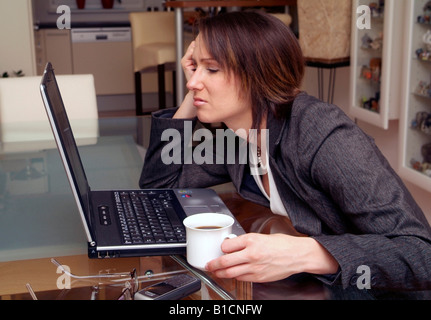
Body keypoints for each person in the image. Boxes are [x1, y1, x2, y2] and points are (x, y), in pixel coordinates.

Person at [139, 11, 431, 296]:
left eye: (212, 69)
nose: (191, 82)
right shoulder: (240, 136)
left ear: (257, 74)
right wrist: (195, 96)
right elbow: (159, 186)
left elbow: (421, 253)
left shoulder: (320, 133)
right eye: (194, 68)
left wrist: (306, 253)